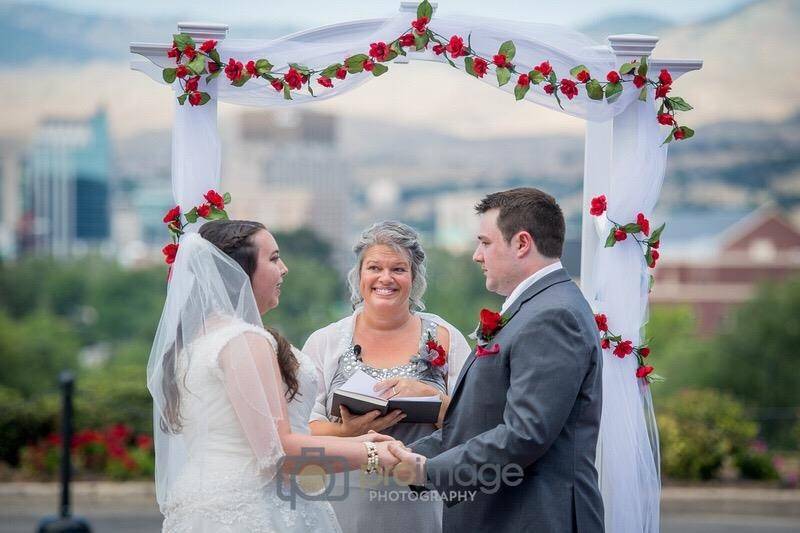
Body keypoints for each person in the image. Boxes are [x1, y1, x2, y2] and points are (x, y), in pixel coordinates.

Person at [147, 220, 397, 533]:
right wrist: (371, 453)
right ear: (238, 270)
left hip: (203, 503)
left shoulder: (195, 338)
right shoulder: (242, 340)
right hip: (255, 508)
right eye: (274, 258)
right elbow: (278, 454)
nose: (285, 269)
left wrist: (350, 436)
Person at [390, 188, 605, 532]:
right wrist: (404, 451)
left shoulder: (553, 316)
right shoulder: (537, 307)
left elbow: (525, 434)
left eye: (485, 243)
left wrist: (427, 471)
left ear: (521, 243)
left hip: (534, 517)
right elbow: (479, 419)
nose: (476, 255)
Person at [302, 221, 471, 533]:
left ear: (414, 277)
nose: (385, 278)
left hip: (421, 500)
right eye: (374, 267)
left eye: (398, 269)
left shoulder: (446, 337)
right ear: (359, 274)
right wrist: (348, 430)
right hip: (344, 499)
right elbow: (301, 428)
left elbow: (474, 424)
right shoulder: (325, 341)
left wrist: (430, 397)